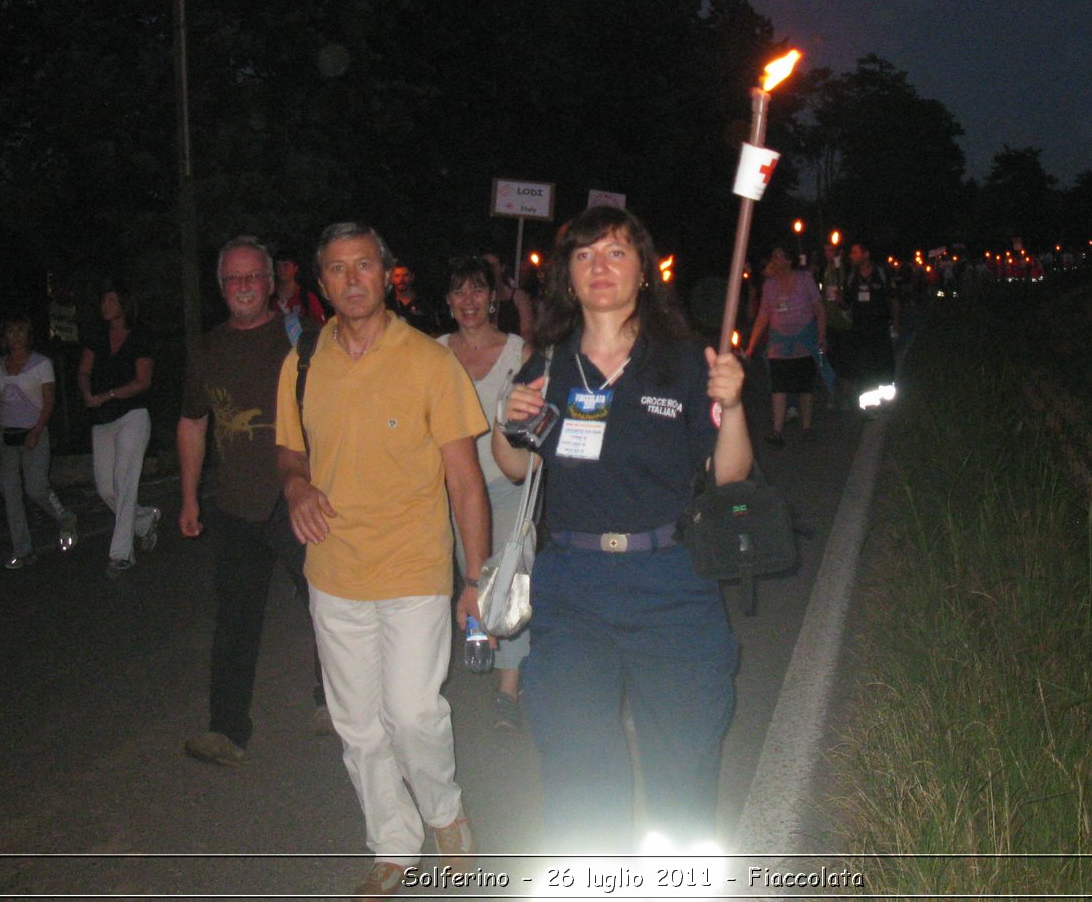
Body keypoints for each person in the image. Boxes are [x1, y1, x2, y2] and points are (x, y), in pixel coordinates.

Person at [492, 206, 750, 855]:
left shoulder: (686, 361)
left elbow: (730, 474)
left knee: (684, 759)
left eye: (614, 253)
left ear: (643, 271)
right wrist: (509, 421)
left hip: (671, 582)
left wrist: (737, 404)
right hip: (573, 588)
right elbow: (517, 467)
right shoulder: (547, 361)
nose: (598, 267)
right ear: (567, 277)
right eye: (583, 256)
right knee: (577, 761)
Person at [276, 222, 490, 898]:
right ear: (322, 283)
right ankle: (392, 843)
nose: (351, 279)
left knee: (412, 712)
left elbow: (465, 480)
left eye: (363, 265)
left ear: (387, 274)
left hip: (413, 567)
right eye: (337, 269)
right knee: (358, 724)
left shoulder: (429, 361)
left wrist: (476, 578)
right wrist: (295, 484)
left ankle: (444, 812)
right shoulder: (303, 360)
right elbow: (289, 450)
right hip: (333, 569)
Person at [179, 236, 329, 767]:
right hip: (238, 503)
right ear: (221, 287)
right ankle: (226, 729)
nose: (243, 287)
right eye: (233, 279)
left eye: (252, 277)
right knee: (234, 621)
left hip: (298, 499)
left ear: (270, 284)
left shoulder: (304, 340)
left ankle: (331, 703)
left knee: (327, 608)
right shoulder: (207, 348)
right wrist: (189, 496)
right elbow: (193, 422)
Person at [438, 256, 531, 730]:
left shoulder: (519, 351)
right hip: (454, 490)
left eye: (478, 291)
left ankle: (509, 689)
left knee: (510, 578)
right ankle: (480, 638)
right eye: (459, 292)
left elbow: (539, 418)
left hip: (509, 484)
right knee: (470, 576)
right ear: (448, 301)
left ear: (493, 297)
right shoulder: (432, 353)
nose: (469, 301)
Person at [78, 283, 159, 578]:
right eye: (104, 299)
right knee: (106, 488)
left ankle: (121, 554)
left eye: (112, 299)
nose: (106, 304)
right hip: (102, 418)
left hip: (132, 415)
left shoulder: (139, 337)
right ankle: (144, 520)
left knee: (125, 483)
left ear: (124, 303)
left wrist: (109, 395)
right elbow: (84, 370)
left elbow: (142, 382)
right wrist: (88, 392)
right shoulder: (97, 337)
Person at [0, 315, 78, 568]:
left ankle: (65, 519)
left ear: (28, 335)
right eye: (10, 331)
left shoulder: (42, 364)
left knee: (36, 488)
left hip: (33, 432)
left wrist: (37, 430)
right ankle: (23, 550)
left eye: (20, 330)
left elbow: (48, 401)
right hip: (7, 436)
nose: (15, 336)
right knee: (11, 494)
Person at [744, 244, 827, 446]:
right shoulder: (769, 285)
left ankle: (806, 428)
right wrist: (751, 346)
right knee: (778, 387)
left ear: (789, 261)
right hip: (779, 346)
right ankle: (777, 431)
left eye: (778, 256)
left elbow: (820, 309)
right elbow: (763, 316)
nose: (774, 260)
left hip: (804, 344)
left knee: (805, 389)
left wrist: (821, 337)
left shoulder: (804, 279)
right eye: (773, 256)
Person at [844, 240, 901, 412]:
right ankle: (871, 407)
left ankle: (887, 402)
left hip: (880, 329)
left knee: (884, 366)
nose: (851, 256)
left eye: (855, 252)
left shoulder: (882, 274)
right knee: (865, 368)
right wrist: (840, 302)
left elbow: (894, 300)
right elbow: (847, 303)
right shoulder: (852, 276)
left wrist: (896, 325)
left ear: (866, 254)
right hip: (860, 330)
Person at [482, 252, 536, 344]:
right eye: (486, 267)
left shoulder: (518, 296)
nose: (490, 271)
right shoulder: (479, 299)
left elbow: (528, 332)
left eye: (493, 267)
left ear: (502, 268)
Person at [386, 263, 444, 335]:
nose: (401, 279)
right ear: (392, 279)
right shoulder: (387, 304)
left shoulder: (425, 303)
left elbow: (436, 332)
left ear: (412, 277)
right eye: (397, 276)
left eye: (405, 275)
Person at [273, 251, 326, 324]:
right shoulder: (268, 297)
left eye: (286, 265)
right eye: (278, 266)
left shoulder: (306, 298)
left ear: (295, 268)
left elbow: (321, 326)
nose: (281, 269)